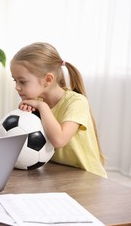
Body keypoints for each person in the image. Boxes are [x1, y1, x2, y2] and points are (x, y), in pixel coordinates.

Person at [10, 42, 107, 178]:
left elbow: (59, 140)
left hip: (87, 177)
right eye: (15, 81)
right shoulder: (37, 101)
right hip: (57, 173)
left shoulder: (76, 102)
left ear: (48, 79)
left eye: (22, 81)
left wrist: (42, 108)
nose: (17, 87)